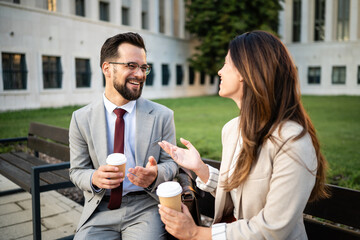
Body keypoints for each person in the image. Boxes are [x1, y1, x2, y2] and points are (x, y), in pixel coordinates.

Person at [158, 30, 329, 240]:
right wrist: (200, 168)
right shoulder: (232, 129)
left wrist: (196, 233)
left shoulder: (293, 141)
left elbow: (274, 227)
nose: (219, 71)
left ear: (245, 71)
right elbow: (238, 194)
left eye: (226, 64)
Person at [69, 32, 177, 239]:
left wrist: (155, 175)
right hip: (100, 208)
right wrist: (94, 178)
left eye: (144, 67)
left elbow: (172, 163)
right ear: (107, 68)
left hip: (145, 207)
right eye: (131, 65)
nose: (140, 74)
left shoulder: (162, 116)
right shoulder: (81, 118)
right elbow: (76, 170)